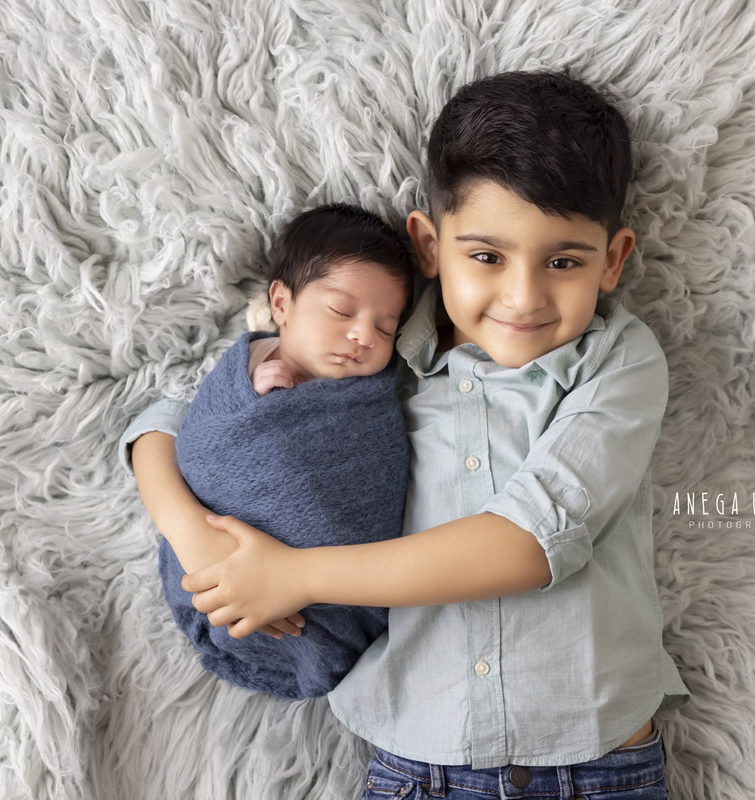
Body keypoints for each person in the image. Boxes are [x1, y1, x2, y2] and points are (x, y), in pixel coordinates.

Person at [122, 68, 691, 798]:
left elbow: (533, 539)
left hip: (596, 757)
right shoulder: (371, 354)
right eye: (486, 256)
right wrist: (194, 538)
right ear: (429, 243)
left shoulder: (617, 360)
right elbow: (163, 422)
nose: (523, 296)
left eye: (564, 261)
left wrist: (295, 576)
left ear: (612, 260)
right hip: (416, 762)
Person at [125, 202, 415, 700]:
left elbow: (375, 484)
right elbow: (198, 436)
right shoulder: (245, 369)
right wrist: (257, 380)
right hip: (213, 575)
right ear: (281, 304)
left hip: (330, 609)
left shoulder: (373, 398)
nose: (364, 335)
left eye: (386, 327)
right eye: (342, 311)